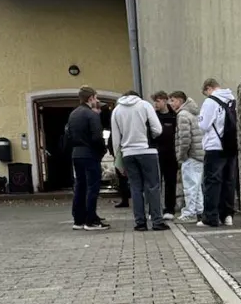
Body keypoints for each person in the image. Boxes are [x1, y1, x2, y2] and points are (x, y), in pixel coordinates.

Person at [109, 92, 166, 231]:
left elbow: (116, 139)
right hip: (148, 151)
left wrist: (118, 158)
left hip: (128, 153)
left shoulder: (117, 110)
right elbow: (158, 129)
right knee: (153, 186)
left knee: (135, 188)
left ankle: (140, 223)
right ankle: (157, 221)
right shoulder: (145, 106)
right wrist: (150, 136)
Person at [63, 86, 108, 230]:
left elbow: (68, 136)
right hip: (90, 154)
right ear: (91, 98)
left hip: (76, 153)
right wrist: (102, 150)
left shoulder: (73, 114)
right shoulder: (91, 115)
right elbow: (97, 136)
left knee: (80, 186)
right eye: (96, 97)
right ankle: (91, 220)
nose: (97, 100)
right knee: (92, 187)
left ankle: (78, 220)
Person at [198, 79, 238, 228]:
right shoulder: (232, 99)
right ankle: (227, 215)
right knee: (229, 181)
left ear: (209, 88)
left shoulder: (210, 102)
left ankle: (210, 217)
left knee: (212, 182)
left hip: (215, 146)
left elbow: (204, 125)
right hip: (231, 145)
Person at [172, 91, 205, 224]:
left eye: (173, 100)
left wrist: (181, 155)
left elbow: (185, 138)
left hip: (190, 155)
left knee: (190, 185)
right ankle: (199, 211)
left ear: (180, 101)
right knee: (196, 185)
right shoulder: (193, 113)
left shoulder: (182, 115)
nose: (171, 104)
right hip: (198, 153)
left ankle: (190, 212)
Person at [151, 91, 179, 219]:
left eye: (157, 101)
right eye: (154, 101)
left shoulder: (174, 116)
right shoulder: (153, 116)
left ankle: (170, 209)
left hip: (170, 154)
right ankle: (155, 210)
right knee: (155, 183)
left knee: (170, 182)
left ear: (164, 100)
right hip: (156, 153)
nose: (155, 104)